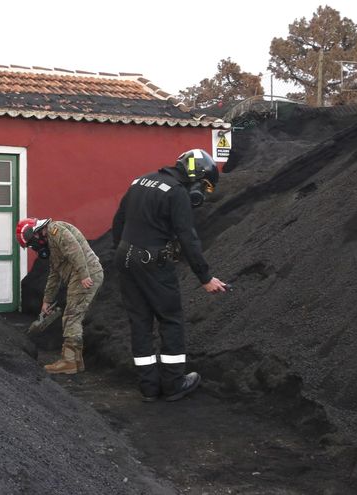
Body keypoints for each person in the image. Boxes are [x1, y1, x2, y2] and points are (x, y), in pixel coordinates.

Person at [111, 148, 228, 402]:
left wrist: (122, 251)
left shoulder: (141, 180)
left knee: (140, 322)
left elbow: (118, 220)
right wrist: (205, 277)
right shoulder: (177, 192)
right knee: (170, 319)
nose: (201, 193)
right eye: (204, 186)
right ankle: (174, 383)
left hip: (124, 256)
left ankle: (149, 387)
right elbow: (188, 238)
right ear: (197, 177)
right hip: (152, 261)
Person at [16, 217, 104, 375]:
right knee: (74, 315)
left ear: (34, 234)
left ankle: (69, 362)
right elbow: (54, 275)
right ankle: (76, 362)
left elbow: (74, 249)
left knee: (71, 316)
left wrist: (84, 275)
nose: (34, 248)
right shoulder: (52, 243)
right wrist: (46, 301)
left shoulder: (55, 230)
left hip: (84, 275)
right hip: (82, 274)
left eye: (31, 245)